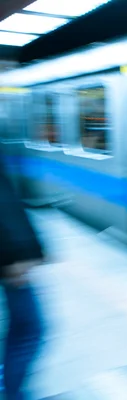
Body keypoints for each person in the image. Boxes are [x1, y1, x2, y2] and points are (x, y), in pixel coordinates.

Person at [0, 153, 45, 400]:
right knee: (30, 327)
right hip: (10, 257)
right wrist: (15, 255)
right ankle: (14, 393)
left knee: (25, 326)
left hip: (10, 254)